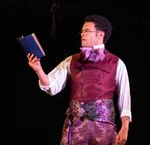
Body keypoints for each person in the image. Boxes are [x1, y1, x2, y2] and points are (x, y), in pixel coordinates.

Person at [27, 14, 132, 145]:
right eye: (81, 31)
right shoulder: (72, 60)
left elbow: (124, 97)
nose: (82, 34)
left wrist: (125, 127)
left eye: (87, 31)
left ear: (100, 35)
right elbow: (52, 86)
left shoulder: (117, 63)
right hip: (76, 129)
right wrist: (38, 69)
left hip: (104, 130)